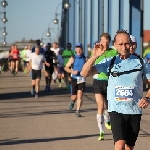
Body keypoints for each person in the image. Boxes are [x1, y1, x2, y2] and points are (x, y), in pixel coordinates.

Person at [80, 30, 150, 150]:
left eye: (127, 44)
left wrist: (147, 97)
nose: (124, 47)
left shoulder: (140, 62)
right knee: (119, 145)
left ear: (131, 44)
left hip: (134, 110)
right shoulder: (110, 62)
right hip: (116, 110)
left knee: (129, 147)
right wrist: (95, 56)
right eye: (121, 44)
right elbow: (84, 73)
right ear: (116, 45)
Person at [92, 33, 118, 140]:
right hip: (98, 80)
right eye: (103, 41)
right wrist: (94, 55)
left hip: (110, 81)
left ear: (110, 42)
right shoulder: (96, 52)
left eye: (107, 42)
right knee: (100, 106)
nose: (105, 43)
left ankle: (107, 118)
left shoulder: (114, 52)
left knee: (109, 107)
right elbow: (90, 64)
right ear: (100, 41)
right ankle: (101, 131)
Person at [64, 43, 86, 117]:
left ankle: (78, 110)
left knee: (80, 96)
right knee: (74, 96)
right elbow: (66, 67)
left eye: (80, 49)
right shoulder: (73, 58)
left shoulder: (85, 58)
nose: (79, 51)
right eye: (77, 49)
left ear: (82, 50)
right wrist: (72, 71)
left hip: (82, 79)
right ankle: (72, 101)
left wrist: (86, 72)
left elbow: (89, 68)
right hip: (74, 79)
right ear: (75, 50)